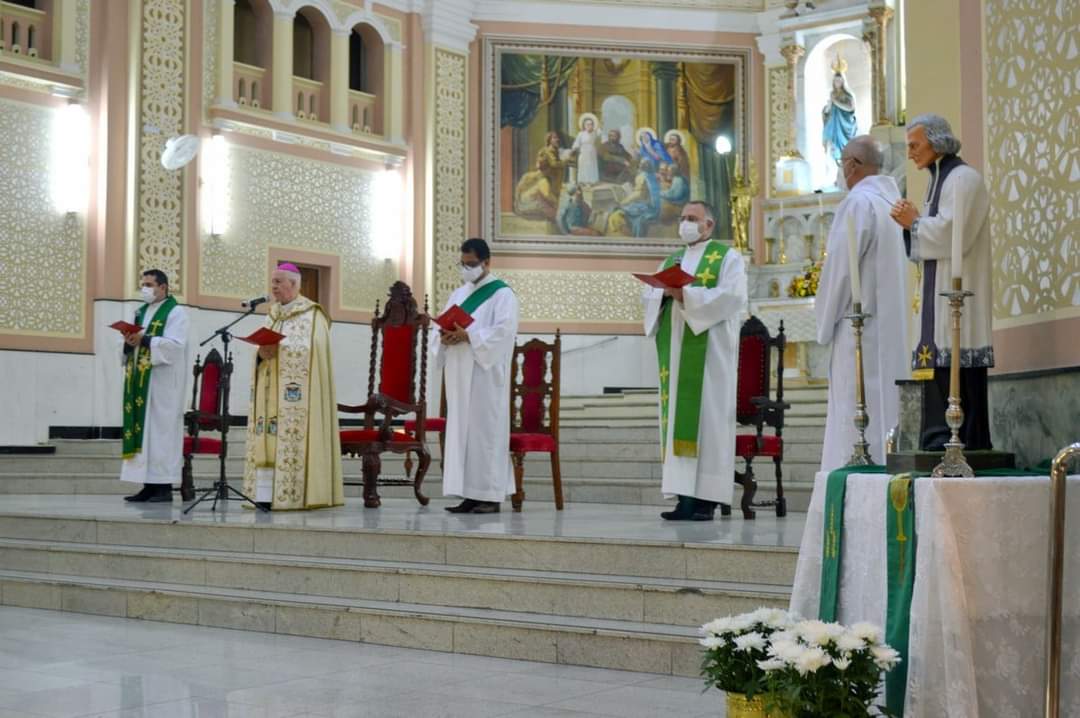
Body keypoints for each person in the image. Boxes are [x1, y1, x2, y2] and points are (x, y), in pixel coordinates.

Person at [889, 114, 993, 451]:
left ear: (936, 142)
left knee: (959, 368)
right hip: (941, 297)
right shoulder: (939, 180)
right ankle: (938, 438)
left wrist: (914, 222)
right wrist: (913, 225)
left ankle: (961, 441)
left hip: (958, 299)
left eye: (914, 145)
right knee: (941, 366)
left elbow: (954, 235)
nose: (910, 153)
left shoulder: (962, 179)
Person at [642, 201, 747, 520]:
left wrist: (685, 295)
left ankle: (707, 499)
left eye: (692, 219)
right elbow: (650, 299)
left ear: (709, 225)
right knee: (679, 422)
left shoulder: (727, 257)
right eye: (682, 218)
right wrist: (660, 293)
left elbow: (732, 298)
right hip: (675, 354)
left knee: (709, 423)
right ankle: (684, 497)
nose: (685, 224)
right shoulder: (671, 260)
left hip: (710, 359)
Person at [815, 136, 909, 471]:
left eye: (842, 163)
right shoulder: (892, 205)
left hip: (860, 331)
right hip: (891, 333)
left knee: (856, 416)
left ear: (852, 165)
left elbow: (841, 272)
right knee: (886, 413)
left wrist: (823, 325)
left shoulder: (857, 204)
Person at [242, 262, 344, 510]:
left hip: (297, 399)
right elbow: (260, 347)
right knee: (266, 440)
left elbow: (315, 351)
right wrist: (260, 354)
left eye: (278, 282)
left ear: (294, 284)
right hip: (268, 394)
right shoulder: (272, 314)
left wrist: (281, 349)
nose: (273, 287)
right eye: (273, 281)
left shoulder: (313, 314)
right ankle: (265, 496)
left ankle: (295, 496)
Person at [432, 239, 519, 514]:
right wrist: (444, 337)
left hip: (485, 376)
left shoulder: (502, 294)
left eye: (471, 264)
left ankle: (490, 496)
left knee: (485, 434)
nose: (467, 269)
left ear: (486, 262)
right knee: (463, 434)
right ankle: (469, 494)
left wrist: (468, 336)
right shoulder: (458, 294)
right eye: (463, 264)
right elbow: (442, 328)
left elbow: (504, 332)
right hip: (459, 373)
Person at [120, 269, 190, 502]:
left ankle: (163, 487)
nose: (145, 289)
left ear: (163, 287)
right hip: (140, 383)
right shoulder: (139, 312)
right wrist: (129, 343)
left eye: (149, 284)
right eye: (143, 284)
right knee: (146, 433)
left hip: (162, 384)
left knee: (161, 434)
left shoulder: (176, 312)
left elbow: (175, 346)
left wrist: (145, 340)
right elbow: (128, 348)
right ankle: (148, 485)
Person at [822, 59, 857, 166]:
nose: (837, 83)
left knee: (844, 149)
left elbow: (851, 108)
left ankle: (843, 164)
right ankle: (833, 166)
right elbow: (827, 111)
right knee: (830, 144)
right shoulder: (832, 94)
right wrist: (828, 106)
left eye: (839, 80)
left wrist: (836, 102)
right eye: (835, 81)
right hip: (833, 124)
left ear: (843, 81)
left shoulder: (848, 95)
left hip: (844, 125)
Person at [537, 131, 573, 202]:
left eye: (557, 138)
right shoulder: (549, 150)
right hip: (551, 177)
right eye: (554, 138)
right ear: (549, 140)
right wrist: (565, 161)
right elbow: (554, 163)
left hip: (556, 177)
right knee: (553, 196)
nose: (557, 139)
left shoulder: (555, 149)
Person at [571, 114, 601, 185]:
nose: (589, 126)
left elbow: (600, 132)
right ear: (584, 125)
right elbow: (577, 142)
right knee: (583, 166)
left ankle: (591, 182)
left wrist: (597, 127)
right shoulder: (581, 134)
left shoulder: (595, 133)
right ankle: (583, 181)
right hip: (583, 152)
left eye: (591, 124)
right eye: (587, 124)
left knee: (591, 166)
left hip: (591, 153)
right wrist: (574, 148)